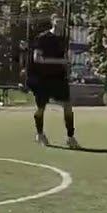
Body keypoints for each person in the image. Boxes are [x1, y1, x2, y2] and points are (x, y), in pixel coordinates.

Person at [29, 14, 80, 149]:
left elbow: (65, 57)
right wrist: (59, 61)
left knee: (68, 106)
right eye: (57, 21)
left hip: (59, 78)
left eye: (62, 21)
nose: (60, 24)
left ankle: (70, 137)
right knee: (40, 108)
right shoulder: (42, 38)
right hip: (43, 78)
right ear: (52, 22)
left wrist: (67, 68)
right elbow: (37, 58)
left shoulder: (64, 39)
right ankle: (40, 134)